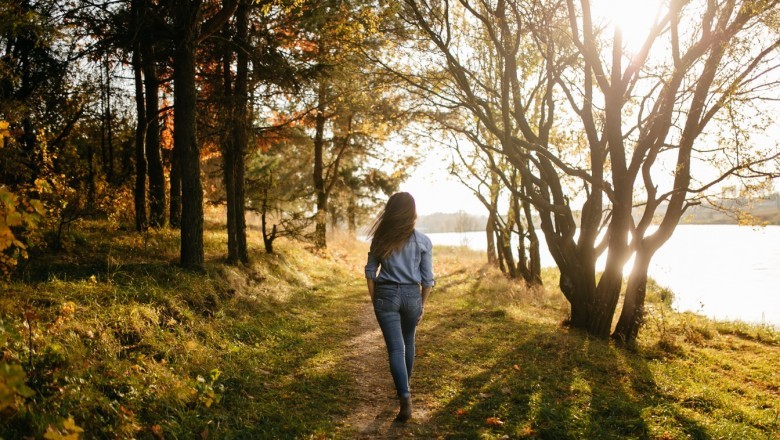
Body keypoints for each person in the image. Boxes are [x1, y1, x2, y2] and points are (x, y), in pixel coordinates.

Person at [364, 192, 434, 422]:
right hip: (412, 296)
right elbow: (427, 280)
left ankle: (405, 397)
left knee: (396, 349)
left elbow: (370, 273)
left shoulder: (380, 240)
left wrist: (376, 301)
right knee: (408, 341)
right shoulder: (423, 241)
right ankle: (405, 391)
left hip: (386, 295)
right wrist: (421, 305)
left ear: (391, 211)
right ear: (412, 212)